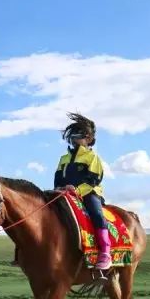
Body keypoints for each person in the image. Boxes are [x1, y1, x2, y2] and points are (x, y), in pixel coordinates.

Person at [54, 113, 112, 270]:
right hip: (63, 194)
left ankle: (105, 252)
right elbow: (58, 177)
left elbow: (94, 179)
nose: (75, 138)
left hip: (89, 193)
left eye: (79, 135)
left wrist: (77, 190)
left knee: (96, 214)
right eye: (74, 135)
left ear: (89, 138)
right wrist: (58, 189)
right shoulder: (64, 158)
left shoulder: (92, 157)